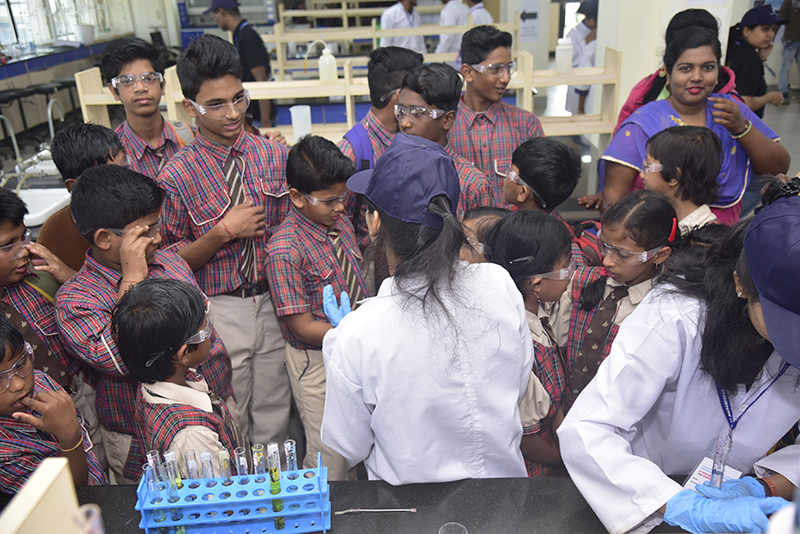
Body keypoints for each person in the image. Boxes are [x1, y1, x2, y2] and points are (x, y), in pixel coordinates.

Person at [558, 182, 800, 534]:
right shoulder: (676, 315)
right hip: (650, 499)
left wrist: (766, 486)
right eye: (786, 322)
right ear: (741, 284)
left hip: (743, 498)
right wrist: (677, 504)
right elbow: (587, 428)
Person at [320, 133, 534, 485]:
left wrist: (343, 347)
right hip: (503, 496)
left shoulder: (358, 334)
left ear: (375, 223)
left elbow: (350, 444)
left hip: (409, 507)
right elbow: (519, 382)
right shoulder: (499, 284)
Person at [55, 165, 234, 484]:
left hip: (210, 403)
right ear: (104, 238)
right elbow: (120, 358)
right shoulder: (76, 299)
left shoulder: (170, 263)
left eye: (157, 225)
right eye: (146, 231)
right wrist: (133, 279)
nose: (159, 237)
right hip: (141, 439)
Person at [157, 35, 291, 448]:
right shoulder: (176, 176)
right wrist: (222, 232)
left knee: (275, 413)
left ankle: (274, 486)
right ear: (190, 108)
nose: (233, 113)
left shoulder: (274, 156)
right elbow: (168, 263)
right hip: (219, 310)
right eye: (216, 104)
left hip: (273, 301)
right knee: (230, 414)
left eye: (238, 99)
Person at [597, 28, 789, 224]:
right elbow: (613, 207)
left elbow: (778, 168)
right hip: (656, 233)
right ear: (668, 73)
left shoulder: (731, 111)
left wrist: (742, 129)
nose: (697, 77)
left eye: (707, 67)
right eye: (685, 68)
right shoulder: (642, 124)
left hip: (723, 235)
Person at [266, 135, 368, 480]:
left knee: (359, 445)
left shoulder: (338, 223)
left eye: (344, 197)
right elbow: (302, 326)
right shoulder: (284, 250)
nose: (340, 208)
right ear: (297, 197)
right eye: (329, 201)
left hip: (355, 349)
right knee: (330, 456)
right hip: (316, 363)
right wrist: (353, 331)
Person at [113, 279, 245, 473]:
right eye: (205, 330)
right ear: (184, 354)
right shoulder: (193, 437)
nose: (210, 334)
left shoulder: (158, 380)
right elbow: (215, 490)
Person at [561, 191, 677, 409]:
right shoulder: (581, 280)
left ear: (659, 255)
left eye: (622, 255)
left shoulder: (661, 310)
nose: (607, 261)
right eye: (604, 246)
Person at [485, 211, 574, 477]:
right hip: (534, 476)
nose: (571, 274)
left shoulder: (536, 319)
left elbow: (552, 401)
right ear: (537, 283)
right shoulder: (518, 343)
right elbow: (527, 440)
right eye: (566, 267)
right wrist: (563, 461)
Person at [1, 316, 106, 493]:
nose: (18, 384)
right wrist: (69, 438)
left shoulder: (42, 382)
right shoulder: (4, 453)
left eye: (20, 364)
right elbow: (70, 495)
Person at [450, 25, 545, 206]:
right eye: (496, 69)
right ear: (468, 72)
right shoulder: (445, 126)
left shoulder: (525, 125)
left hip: (513, 224)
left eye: (508, 68)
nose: (505, 78)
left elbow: (542, 192)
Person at [397, 63, 494, 218]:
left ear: (447, 119)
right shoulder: (392, 169)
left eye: (417, 112)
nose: (404, 123)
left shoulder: (471, 186)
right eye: (401, 111)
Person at [100, 37, 195, 180]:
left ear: (162, 85)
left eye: (149, 78)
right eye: (127, 81)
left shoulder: (192, 138)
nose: (140, 88)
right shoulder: (112, 156)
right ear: (114, 91)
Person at [39, 123, 126, 271]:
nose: (123, 181)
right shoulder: (53, 234)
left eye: (125, 168)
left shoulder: (141, 213)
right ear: (74, 186)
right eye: (108, 176)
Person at [207, 0, 277, 128]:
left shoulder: (248, 37)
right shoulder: (239, 35)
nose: (214, 18)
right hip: (250, 114)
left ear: (222, 12)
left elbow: (261, 80)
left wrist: (265, 121)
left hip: (259, 116)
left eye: (214, 14)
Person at [641, 126, 720, 235]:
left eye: (648, 166)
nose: (642, 175)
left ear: (673, 177)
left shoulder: (705, 240)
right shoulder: (660, 222)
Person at [726, 5, 787, 119]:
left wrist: (762, 58)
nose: (771, 35)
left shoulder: (732, 46)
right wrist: (770, 98)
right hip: (739, 122)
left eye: (773, 29)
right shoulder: (750, 59)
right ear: (747, 31)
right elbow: (744, 103)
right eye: (765, 29)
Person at [565, 0, 598, 117]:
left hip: (591, 82)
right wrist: (586, 42)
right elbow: (571, 60)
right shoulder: (573, 34)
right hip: (577, 78)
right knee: (576, 114)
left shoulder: (599, 33)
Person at [435, 0, 468, 67]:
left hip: (452, 55)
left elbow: (448, 37)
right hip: (463, 52)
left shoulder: (449, 10)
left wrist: (437, 56)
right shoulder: (464, 7)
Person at [778, 0, 800, 102]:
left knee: (786, 67)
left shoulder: (789, 2)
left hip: (790, 38)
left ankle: (783, 94)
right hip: (793, 39)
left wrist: (772, 37)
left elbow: (780, 19)